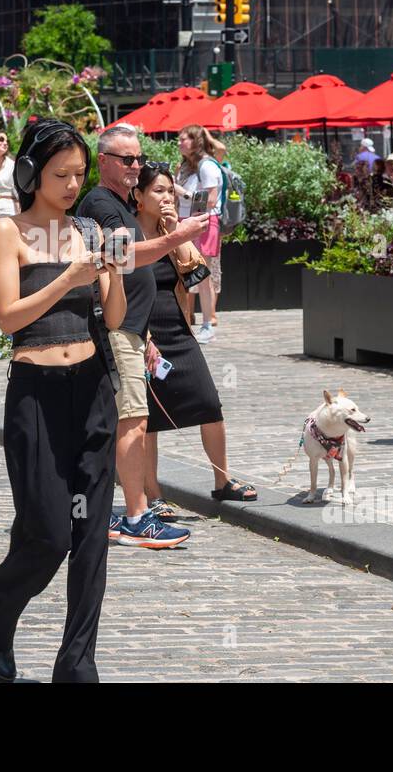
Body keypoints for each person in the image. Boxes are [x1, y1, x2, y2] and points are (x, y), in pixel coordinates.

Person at [0, 119, 126, 684]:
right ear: (31, 173)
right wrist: (67, 277)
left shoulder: (88, 230)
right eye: (61, 174)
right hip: (36, 396)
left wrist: (113, 271)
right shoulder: (9, 231)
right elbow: (8, 317)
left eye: (80, 174)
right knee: (49, 533)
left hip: (94, 391)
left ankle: (78, 665)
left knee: (91, 537)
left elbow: (116, 317)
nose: (73, 185)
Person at [77, 123, 209, 549]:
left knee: (128, 420)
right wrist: (177, 236)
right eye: (126, 159)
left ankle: (126, 508)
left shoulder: (118, 202)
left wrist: (146, 331)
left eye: (138, 158)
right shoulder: (102, 202)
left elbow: (184, 273)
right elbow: (123, 258)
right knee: (132, 421)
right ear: (104, 162)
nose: (136, 165)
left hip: (131, 327)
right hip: (116, 328)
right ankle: (135, 516)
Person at [133, 163, 256, 506]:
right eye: (159, 191)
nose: (167, 197)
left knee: (208, 404)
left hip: (177, 327)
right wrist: (140, 337)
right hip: (143, 330)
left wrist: (176, 234)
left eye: (171, 191)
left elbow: (197, 275)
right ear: (139, 196)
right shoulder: (128, 235)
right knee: (150, 418)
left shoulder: (170, 231)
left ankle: (223, 480)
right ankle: (152, 493)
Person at [174, 124, 224, 343]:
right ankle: (189, 323)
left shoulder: (207, 166)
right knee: (185, 273)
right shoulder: (186, 167)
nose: (179, 142)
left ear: (195, 141)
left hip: (203, 222)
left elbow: (209, 201)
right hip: (187, 221)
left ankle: (207, 324)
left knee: (203, 275)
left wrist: (181, 192)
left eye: (183, 139)